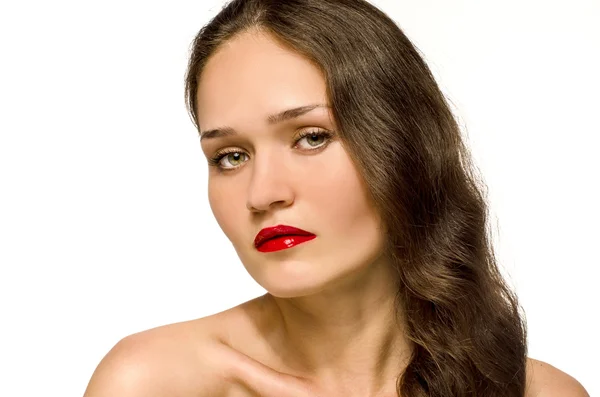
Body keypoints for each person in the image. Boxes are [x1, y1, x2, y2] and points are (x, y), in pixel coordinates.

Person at [83, 0, 590, 396]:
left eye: (311, 137)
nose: (263, 194)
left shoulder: (536, 392)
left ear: (403, 146)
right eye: (231, 156)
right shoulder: (151, 383)